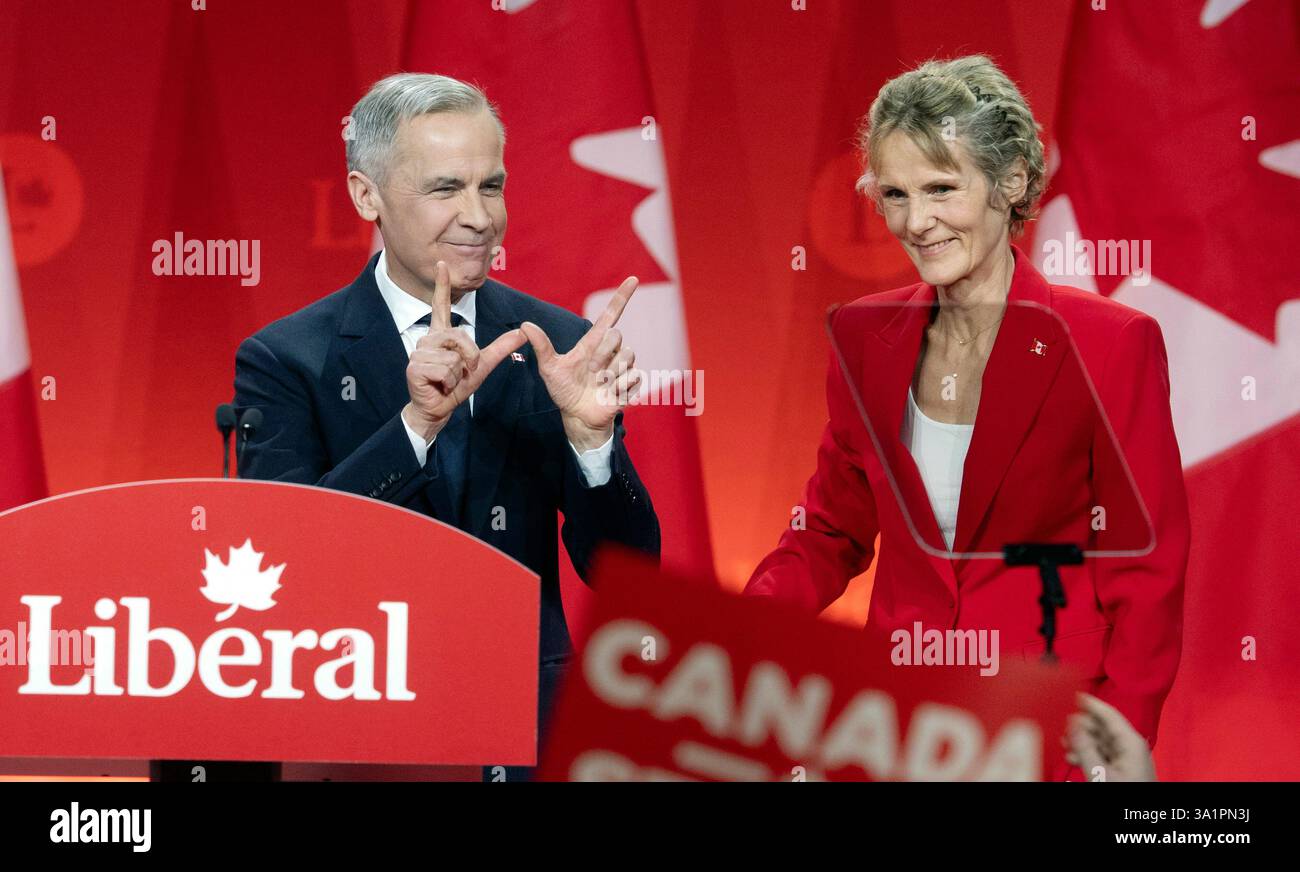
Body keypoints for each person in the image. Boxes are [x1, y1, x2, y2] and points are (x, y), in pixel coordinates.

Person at [745, 55, 1188, 780]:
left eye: (941, 189)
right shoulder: (864, 338)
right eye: (894, 194)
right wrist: (736, 633)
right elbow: (829, 532)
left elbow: (1145, 576)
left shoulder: (1110, 344)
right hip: (898, 737)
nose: (915, 222)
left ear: (1011, 180)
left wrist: (1111, 755)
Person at [230, 73, 661, 781]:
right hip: (361, 724)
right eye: (444, 189)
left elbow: (626, 572)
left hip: (526, 733)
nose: (479, 217)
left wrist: (591, 441)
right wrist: (415, 426)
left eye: (490, 187)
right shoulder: (288, 359)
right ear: (365, 195)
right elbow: (285, 565)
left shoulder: (554, 342)